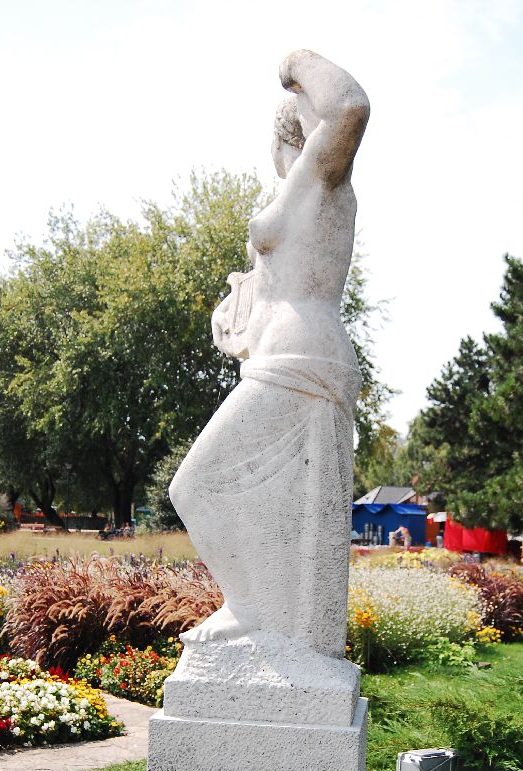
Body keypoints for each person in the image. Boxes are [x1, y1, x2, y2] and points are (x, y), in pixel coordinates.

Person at [169, 50, 369, 663]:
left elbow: (351, 106)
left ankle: (250, 608)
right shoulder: (306, 194)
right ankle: (273, 620)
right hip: (290, 351)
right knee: (267, 501)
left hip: (303, 355)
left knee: (196, 485)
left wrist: (295, 63)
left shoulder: (319, 177)